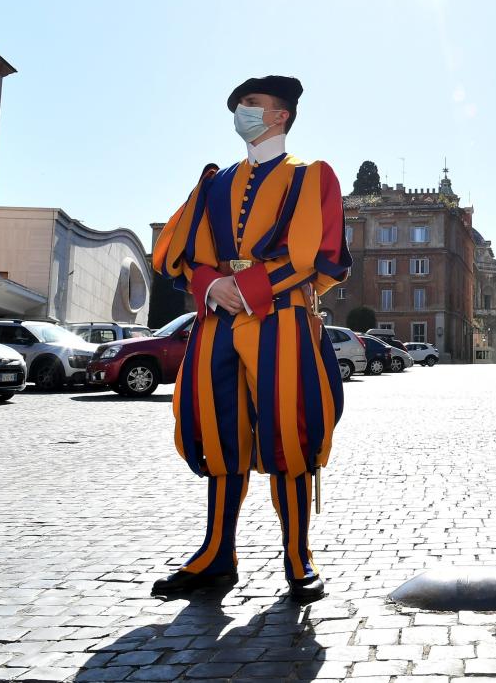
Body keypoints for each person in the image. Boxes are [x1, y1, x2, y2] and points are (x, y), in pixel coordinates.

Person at [150, 75, 351, 603]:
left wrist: (247, 286)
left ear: (281, 115)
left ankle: (297, 556)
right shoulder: (215, 182)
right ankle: (217, 554)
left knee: (289, 434)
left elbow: (317, 254)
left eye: (252, 104)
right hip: (218, 319)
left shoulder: (312, 176)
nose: (242, 111)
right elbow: (183, 253)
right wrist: (213, 284)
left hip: (282, 319)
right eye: (239, 105)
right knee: (219, 435)